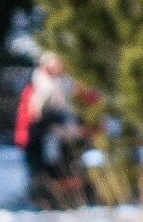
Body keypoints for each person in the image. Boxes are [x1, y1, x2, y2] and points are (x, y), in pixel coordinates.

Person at [16, 51, 97, 208]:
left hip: (68, 141)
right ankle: (47, 202)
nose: (58, 67)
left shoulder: (71, 85)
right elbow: (31, 119)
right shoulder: (37, 87)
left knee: (69, 173)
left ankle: (71, 200)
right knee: (43, 176)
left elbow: (90, 105)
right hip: (38, 142)